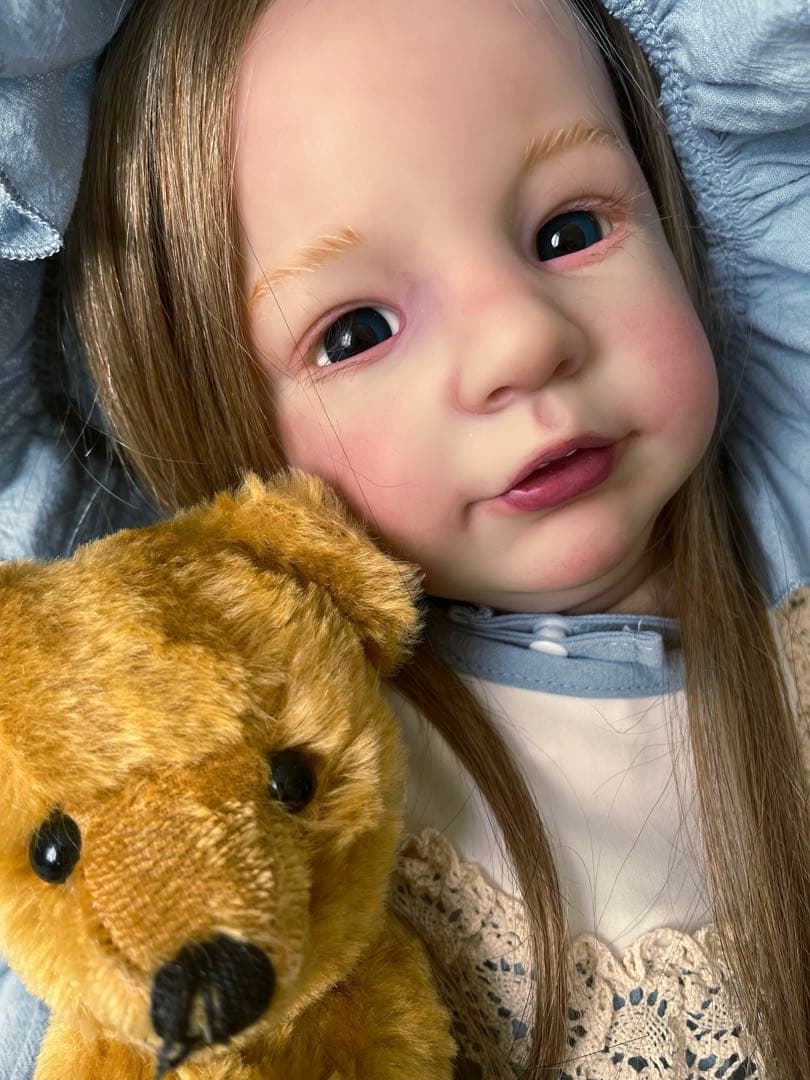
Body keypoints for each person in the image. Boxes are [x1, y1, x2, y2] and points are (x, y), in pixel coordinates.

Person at [1, 0, 808, 1077]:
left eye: (570, 232)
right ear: (220, 430)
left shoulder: (785, 554)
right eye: (357, 332)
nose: (521, 340)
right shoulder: (284, 795)